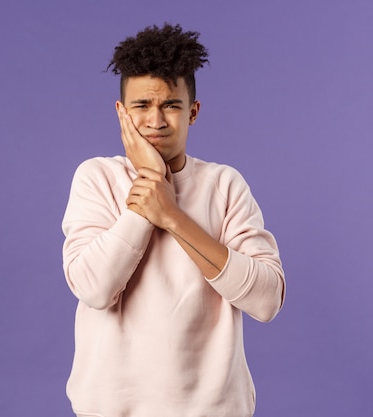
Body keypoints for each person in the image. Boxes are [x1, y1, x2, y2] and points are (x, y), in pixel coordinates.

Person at [61, 23, 285, 417]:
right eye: (142, 106)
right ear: (121, 113)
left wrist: (172, 216)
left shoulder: (225, 185)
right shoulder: (96, 178)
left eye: (171, 105)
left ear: (193, 112)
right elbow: (94, 289)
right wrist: (149, 185)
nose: (156, 120)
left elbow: (266, 301)